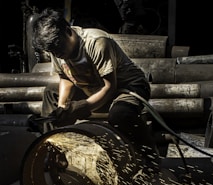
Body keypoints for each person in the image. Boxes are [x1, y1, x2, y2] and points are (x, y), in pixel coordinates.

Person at [32, 7, 160, 170]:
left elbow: (109, 87)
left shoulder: (96, 42)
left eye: (59, 48)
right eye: (53, 51)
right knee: (51, 92)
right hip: (93, 88)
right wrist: (62, 108)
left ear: (68, 31)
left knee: (120, 114)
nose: (57, 54)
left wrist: (83, 107)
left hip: (127, 87)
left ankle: (149, 158)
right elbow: (65, 77)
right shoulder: (56, 49)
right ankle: (54, 151)